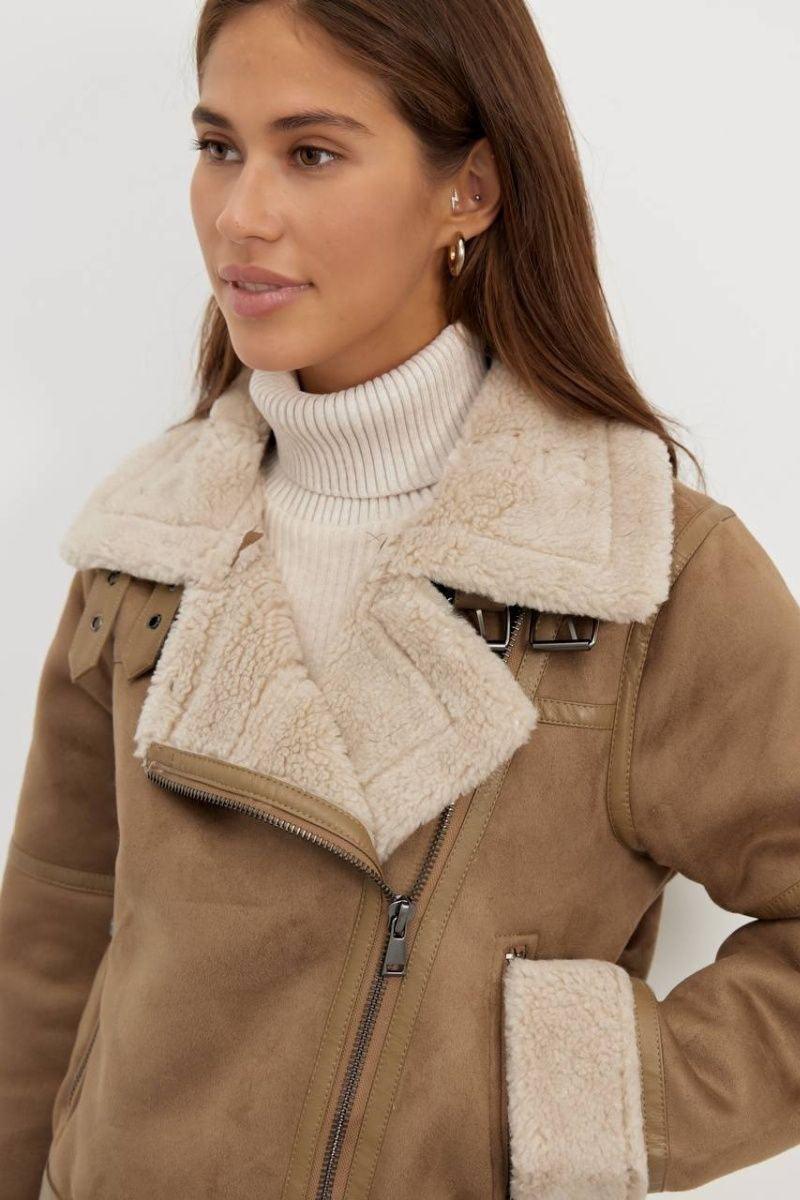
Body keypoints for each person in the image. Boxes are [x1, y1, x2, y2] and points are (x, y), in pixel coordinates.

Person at [1, 2, 798, 1198]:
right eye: (218, 146)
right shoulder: (147, 544)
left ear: (467, 188)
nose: (239, 214)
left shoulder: (639, 571)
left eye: (310, 153)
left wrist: (578, 1100)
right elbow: (54, 932)